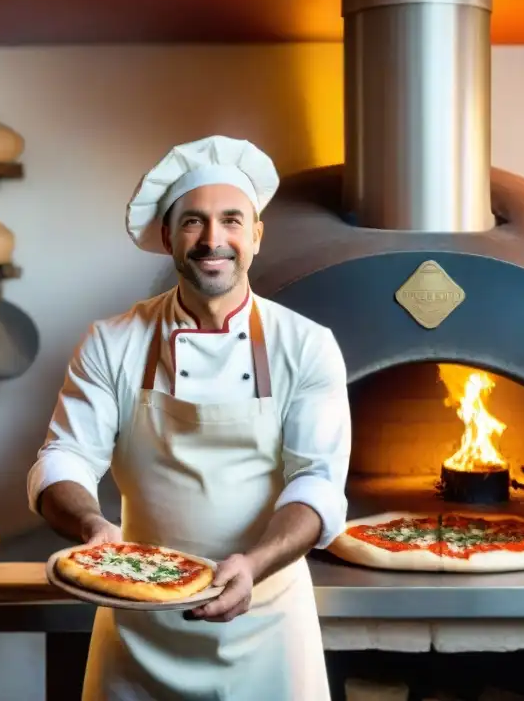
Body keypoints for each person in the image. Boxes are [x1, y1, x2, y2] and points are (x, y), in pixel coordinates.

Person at [26, 135, 352, 701]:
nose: (213, 239)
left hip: (268, 625)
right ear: (167, 236)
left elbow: (317, 482)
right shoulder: (112, 342)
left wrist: (254, 564)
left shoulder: (306, 345)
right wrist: (94, 530)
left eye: (231, 220)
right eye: (193, 222)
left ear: (255, 234)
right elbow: (64, 458)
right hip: (138, 624)